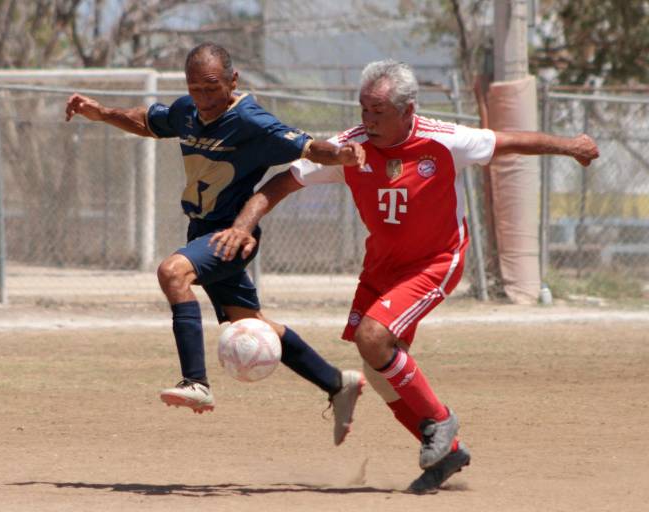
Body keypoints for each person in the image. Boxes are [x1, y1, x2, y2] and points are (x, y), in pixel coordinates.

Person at [211, 60, 599, 493]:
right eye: (363, 109)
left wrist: (570, 145)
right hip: (382, 266)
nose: (367, 120)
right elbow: (281, 183)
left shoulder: (446, 140)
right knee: (378, 370)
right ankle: (448, 452)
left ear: (408, 109)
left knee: (373, 339)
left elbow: (510, 142)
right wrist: (242, 226)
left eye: (378, 111)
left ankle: (439, 421)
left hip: (435, 260)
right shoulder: (349, 149)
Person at [64, 42, 367, 445]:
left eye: (211, 88)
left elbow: (310, 147)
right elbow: (146, 121)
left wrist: (342, 154)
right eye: (195, 89)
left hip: (232, 236)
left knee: (172, 273)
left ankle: (196, 382)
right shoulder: (187, 111)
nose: (203, 98)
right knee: (251, 324)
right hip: (201, 232)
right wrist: (99, 113)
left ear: (232, 81)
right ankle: (336, 382)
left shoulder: (250, 120)